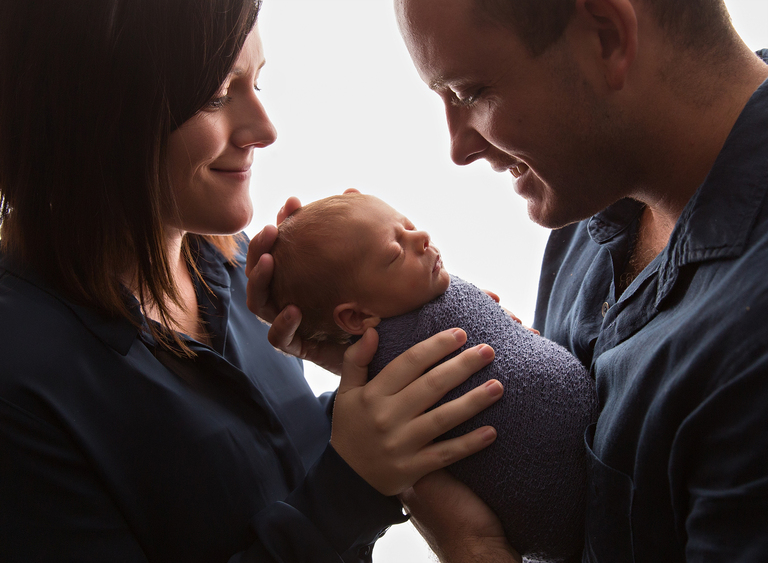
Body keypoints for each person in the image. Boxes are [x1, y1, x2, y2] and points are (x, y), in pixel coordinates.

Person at [247, 0, 768, 561]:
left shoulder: (750, 347)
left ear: (608, 38)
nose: (459, 149)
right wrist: (372, 353)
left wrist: (471, 546)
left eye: (469, 93)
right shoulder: (591, 211)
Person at [0, 1, 508, 561]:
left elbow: (269, 472)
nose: (265, 129)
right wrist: (351, 487)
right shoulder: (19, 383)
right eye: (218, 95)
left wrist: (383, 381)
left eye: (258, 82)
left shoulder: (237, 268)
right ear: (93, 111)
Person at [270, 191, 597, 561]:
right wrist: (473, 547)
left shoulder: (432, 302)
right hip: (551, 503)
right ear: (356, 318)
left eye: (407, 226)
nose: (421, 237)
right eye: (395, 251)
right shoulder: (388, 365)